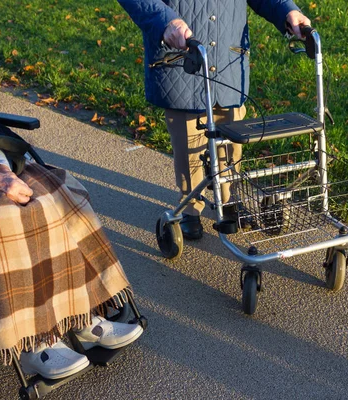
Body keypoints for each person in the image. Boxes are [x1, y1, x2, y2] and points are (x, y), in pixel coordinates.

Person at [0, 45, 143, 380]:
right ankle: (32, 343)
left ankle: (81, 315)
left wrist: (2, 163)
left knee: (57, 192)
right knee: (7, 219)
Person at [117, 0, 311, 240]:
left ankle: (228, 200)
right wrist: (164, 20)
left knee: (232, 135)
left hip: (227, 54)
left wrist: (287, 11)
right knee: (189, 137)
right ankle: (190, 208)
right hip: (182, 50)